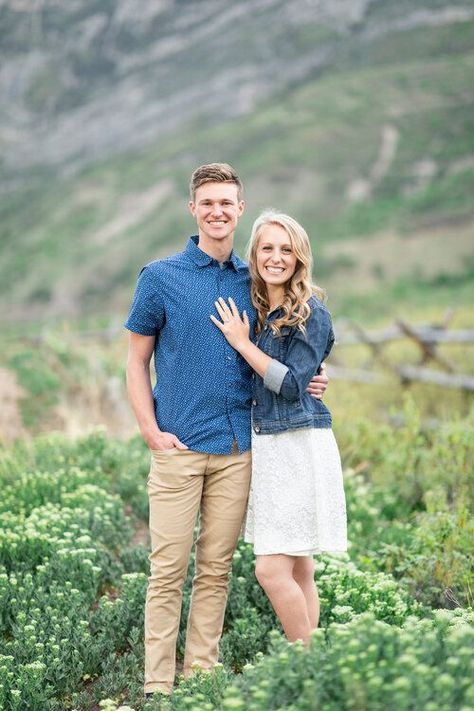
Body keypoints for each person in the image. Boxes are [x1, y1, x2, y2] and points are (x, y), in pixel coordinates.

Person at [124, 164, 329, 697]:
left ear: (240, 210)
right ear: (193, 209)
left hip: (240, 447)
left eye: (228, 203)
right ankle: (156, 684)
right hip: (178, 445)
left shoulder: (256, 279)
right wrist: (150, 430)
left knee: (215, 571)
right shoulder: (160, 277)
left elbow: (289, 342)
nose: (218, 211)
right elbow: (134, 360)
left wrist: (313, 377)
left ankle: (202, 676)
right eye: (208, 202)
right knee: (167, 570)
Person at [211, 210, 347, 644]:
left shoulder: (311, 313)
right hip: (268, 445)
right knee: (299, 566)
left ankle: (304, 661)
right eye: (267, 248)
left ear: (299, 257)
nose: (276, 257)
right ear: (254, 254)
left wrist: (242, 344)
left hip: (298, 444)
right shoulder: (258, 307)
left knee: (270, 569)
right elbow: (295, 378)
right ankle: (316, 664)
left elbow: (290, 385)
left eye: (286, 249)